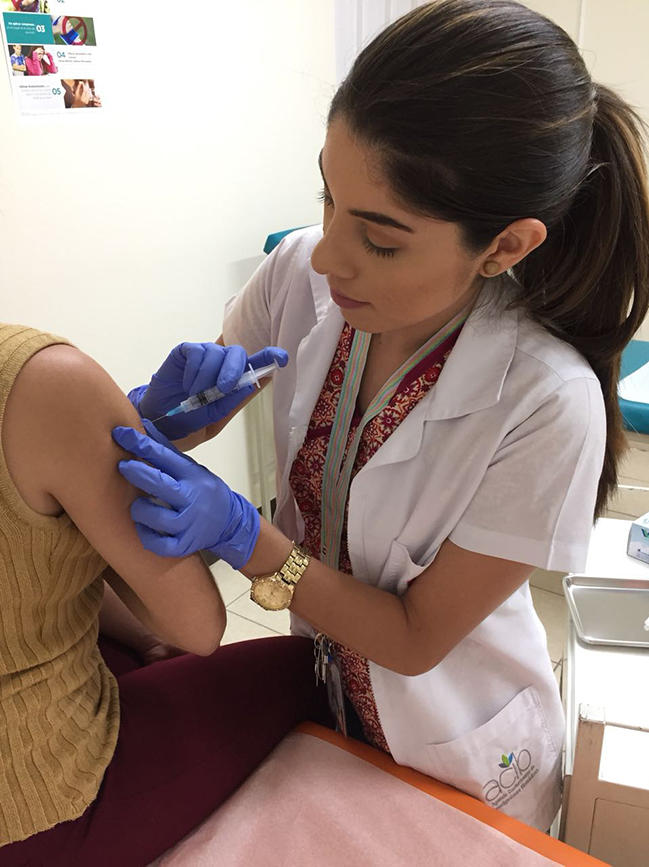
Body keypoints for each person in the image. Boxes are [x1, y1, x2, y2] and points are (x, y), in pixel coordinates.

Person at [116, 0, 649, 833]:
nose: (327, 253)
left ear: (504, 245)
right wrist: (160, 414)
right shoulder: (301, 271)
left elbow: (411, 637)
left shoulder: (546, 401)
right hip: (316, 694)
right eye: (326, 199)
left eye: (381, 237)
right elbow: (192, 421)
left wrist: (242, 536)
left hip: (454, 741)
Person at [0, 331, 328, 867]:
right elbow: (198, 630)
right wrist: (242, 529)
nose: (322, 260)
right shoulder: (44, 381)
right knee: (307, 665)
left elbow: (30, 572)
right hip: (29, 812)